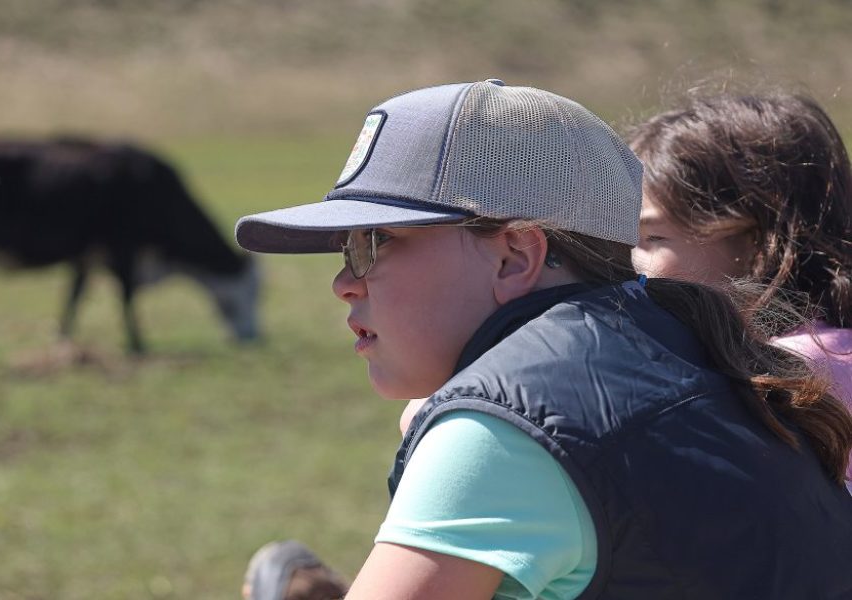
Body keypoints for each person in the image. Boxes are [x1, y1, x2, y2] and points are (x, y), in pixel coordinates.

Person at [234, 80, 852, 600]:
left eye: (376, 242)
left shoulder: (504, 428)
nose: (344, 282)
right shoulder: (691, 343)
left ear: (514, 256)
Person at [628, 91, 852, 482]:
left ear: (755, 239)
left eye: (653, 238)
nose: (629, 262)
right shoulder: (833, 349)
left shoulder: (790, 376)